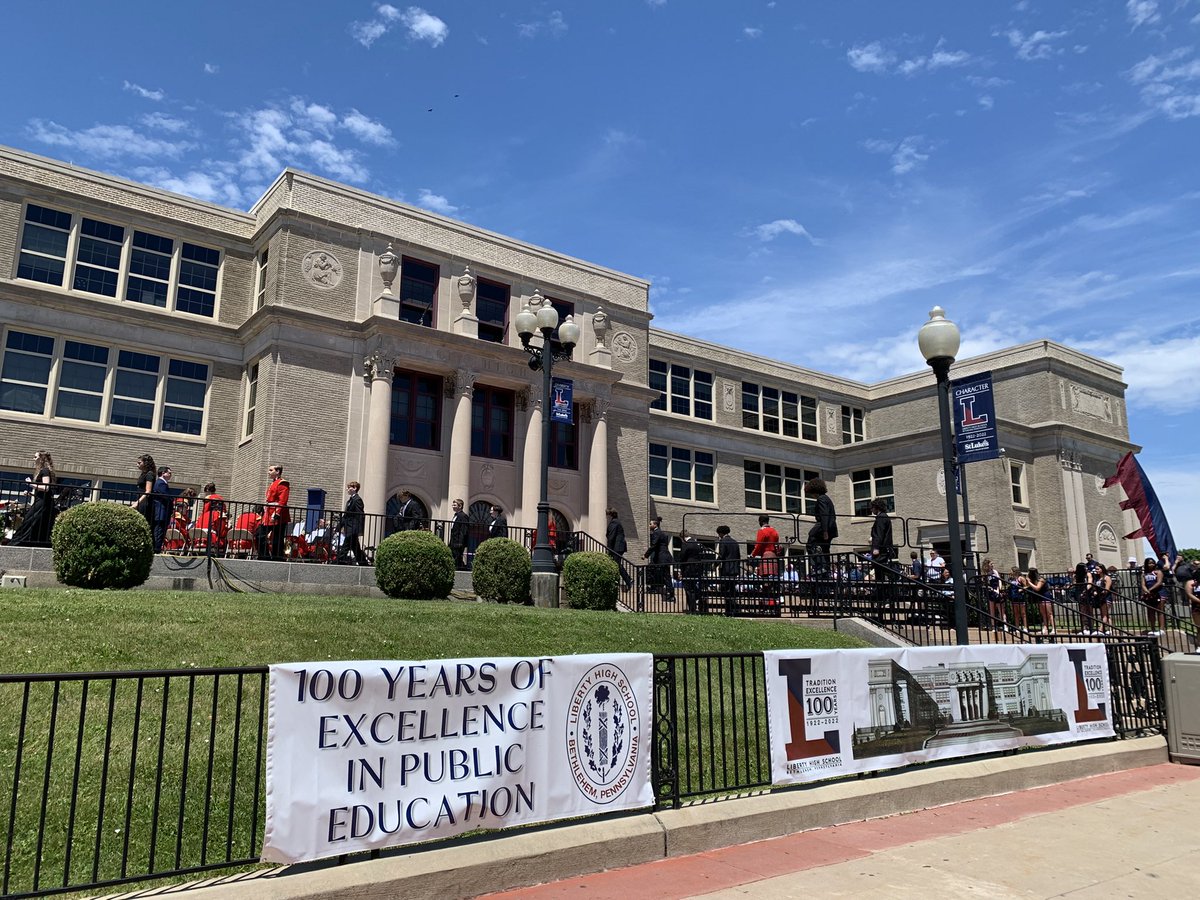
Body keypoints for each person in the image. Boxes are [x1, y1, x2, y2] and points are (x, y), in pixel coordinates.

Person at [10, 450, 57, 547]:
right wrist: (31, 494)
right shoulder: (41, 471)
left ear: (41, 459)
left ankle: (17, 542)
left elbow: (46, 487)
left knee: (29, 521)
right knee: (32, 521)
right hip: (41, 501)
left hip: (43, 503)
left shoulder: (44, 471)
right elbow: (42, 492)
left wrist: (31, 484)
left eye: (35, 457)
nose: (33, 459)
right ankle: (22, 542)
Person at [805, 477, 837, 576]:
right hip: (830, 527)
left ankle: (820, 566)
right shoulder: (827, 498)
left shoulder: (821, 499)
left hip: (824, 526)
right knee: (825, 547)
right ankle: (826, 568)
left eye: (811, 493)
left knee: (811, 541)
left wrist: (825, 531)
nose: (812, 495)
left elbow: (824, 514)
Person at [260, 463, 290, 561]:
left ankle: (277, 558)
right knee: (260, 535)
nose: (268, 472)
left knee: (277, 538)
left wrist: (277, 513)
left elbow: (282, 500)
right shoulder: (273, 483)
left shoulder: (282, 483)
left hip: (277, 514)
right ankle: (265, 556)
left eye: (271, 470)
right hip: (268, 513)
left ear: (277, 472)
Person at [868, 500, 896, 602]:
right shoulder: (884, 517)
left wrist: (876, 548)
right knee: (880, 573)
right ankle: (883, 595)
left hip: (881, 550)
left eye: (872, 508)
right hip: (884, 549)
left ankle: (882, 596)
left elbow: (879, 534)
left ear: (877, 507)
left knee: (880, 573)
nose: (871, 510)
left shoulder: (881, 517)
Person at [338, 481, 367, 565]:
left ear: (354, 488)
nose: (347, 489)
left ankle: (339, 561)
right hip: (349, 526)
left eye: (349, 487)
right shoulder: (350, 500)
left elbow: (360, 514)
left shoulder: (357, 500)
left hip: (353, 527)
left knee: (346, 545)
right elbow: (346, 515)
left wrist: (357, 529)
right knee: (355, 547)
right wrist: (339, 526)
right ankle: (363, 563)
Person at [643, 517, 672, 597]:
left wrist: (645, 555)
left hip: (662, 557)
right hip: (662, 556)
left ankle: (670, 593)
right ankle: (654, 587)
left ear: (655, 525)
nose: (649, 526)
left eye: (650, 524)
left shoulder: (656, 533)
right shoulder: (662, 533)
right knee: (651, 569)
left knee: (666, 576)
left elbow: (653, 546)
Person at [716, 524, 741, 616]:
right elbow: (738, 556)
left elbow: (722, 555)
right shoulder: (735, 542)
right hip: (734, 570)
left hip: (726, 570)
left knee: (726, 590)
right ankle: (734, 609)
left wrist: (715, 564)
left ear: (721, 533)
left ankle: (728, 610)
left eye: (719, 534)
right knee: (732, 590)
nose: (719, 536)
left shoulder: (723, 541)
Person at [605, 508, 633, 591]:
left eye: (607, 515)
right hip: (618, 547)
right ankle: (625, 580)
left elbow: (611, 537)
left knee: (616, 564)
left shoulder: (614, 522)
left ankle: (628, 580)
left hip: (617, 547)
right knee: (616, 564)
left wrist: (608, 549)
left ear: (610, 515)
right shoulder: (616, 521)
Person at [677, 528, 704, 614]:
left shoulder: (686, 544)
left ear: (682, 537)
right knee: (693, 587)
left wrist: (680, 570)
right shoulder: (697, 543)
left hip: (688, 568)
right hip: (697, 568)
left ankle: (692, 608)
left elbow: (682, 557)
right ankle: (696, 603)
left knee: (688, 589)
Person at [1140, 557, 1166, 637]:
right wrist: (1146, 591)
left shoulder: (1158, 572)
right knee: (1150, 611)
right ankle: (1153, 629)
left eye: (1152, 563)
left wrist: (1150, 589)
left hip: (1159, 593)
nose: (1151, 564)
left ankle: (1161, 629)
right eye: (1149, 563)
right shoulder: (1144, 574)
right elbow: (1143, 585)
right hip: (1149, 594)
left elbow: (1159, 582)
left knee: (1160, 611)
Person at [1026, 567, 1054, 635]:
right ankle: (1045, 628)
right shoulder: (1034, 580)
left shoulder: (1041, 579)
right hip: (1040, 597)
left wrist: (1029, 582)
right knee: (1043, 614)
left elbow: (1037, 588)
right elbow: (1030, 587)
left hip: (1045, 596)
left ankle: (1054, 628)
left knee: (1049, 613)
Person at [982, 558, 1006, 632]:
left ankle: (1005, 625)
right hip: (990, 591)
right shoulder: (985, 574)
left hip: (997, 590)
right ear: (987, 565)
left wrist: (999, 589)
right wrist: (991, 589)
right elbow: (984, 583)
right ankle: (993, 626)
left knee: (1001, 609)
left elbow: (999, 580)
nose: (992, 565)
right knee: (992, 610)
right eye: (991, 564)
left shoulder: (995, 572)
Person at [135, 453, 157, 533]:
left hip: (146, 503)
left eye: (139, 463)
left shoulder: (149, 474)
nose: (137, 464)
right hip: (141, 501)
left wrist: (137, 503)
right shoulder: (143, 474)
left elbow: (148, 491)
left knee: (144, 524)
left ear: (145, 463)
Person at [449, 499, 469, 570]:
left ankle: (459, 569)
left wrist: (461, 542)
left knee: (457, 557)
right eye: (453, 505)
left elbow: (463, 530)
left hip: (458, 541)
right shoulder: (456, 515)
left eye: (455, 505)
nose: (453, 506)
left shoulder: (463, 516)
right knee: (453, 556)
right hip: (453, 540)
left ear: (460, 506)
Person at [1007, 566, 1028, 634]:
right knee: (1015, 614)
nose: (1010, 572)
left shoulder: (1021, 578)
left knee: (1023, 613)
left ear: (1015, 571)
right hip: (1013, 597)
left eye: (1011, 571)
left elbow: (1027, 586)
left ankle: (1025, 627)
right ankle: (1017, 627)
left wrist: (1021, 589)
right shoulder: (1011, 579)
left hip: (1020, 597)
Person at [1185, 567, 1200, 653]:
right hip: (1197, 607)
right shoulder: (1191, 583)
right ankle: (1199, 646)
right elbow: (1189, 594)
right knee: (1199, 628)